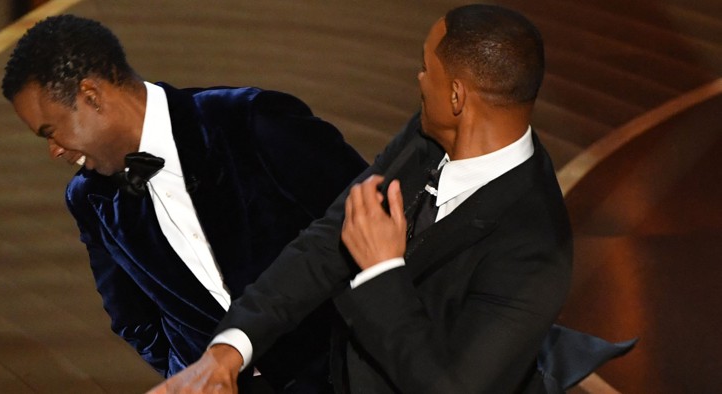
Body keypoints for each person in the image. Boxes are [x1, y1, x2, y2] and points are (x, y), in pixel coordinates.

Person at [149, 4, 634, 393]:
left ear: (459, 97)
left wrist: (382, 271)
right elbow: (325, 243)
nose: (419, 79)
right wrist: (228, 351)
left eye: (427, 69)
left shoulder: (535, 249)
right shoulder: (429, 136)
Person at [0, 14, 368, 392]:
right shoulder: (88, 199)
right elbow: (133, 319)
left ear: (91, 96)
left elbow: (374, 219)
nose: (54, 150)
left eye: (51, 132)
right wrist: (191, 374)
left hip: (344, 374)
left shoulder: (250, 120)